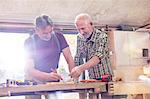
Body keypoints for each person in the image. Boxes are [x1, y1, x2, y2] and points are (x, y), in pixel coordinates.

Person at [24, 15, 75, 99]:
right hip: (33, 80)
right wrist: (47, 76)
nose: (48, 35)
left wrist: (73, 76)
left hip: (52, 80)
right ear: (36, 30)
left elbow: (69, 57)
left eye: (50, 31)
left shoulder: (59, 37)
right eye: (44, 33)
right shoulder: (29, 42)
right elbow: (29, 69)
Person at [69, 13, 113, 98]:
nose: (81, 32)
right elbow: (78, 56)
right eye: (78, 29)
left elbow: (97, 58)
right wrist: (74, 73)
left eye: (83, 28)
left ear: (91, 24)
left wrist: (80, 68)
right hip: (91, 80)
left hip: (106, 79)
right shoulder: (79, 37)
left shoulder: (102, 37)